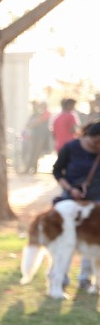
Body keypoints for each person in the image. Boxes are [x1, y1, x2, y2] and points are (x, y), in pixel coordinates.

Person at [51, 121, 100, 288]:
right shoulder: (71, 147)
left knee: (92, 240)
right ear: (88, 136)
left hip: (95, 204)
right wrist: (71, 189)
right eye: (96, 142)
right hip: (70, 201)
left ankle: (85, 278)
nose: (98, 146)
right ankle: (61, 275)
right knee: (66, 239)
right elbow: (57, 171)